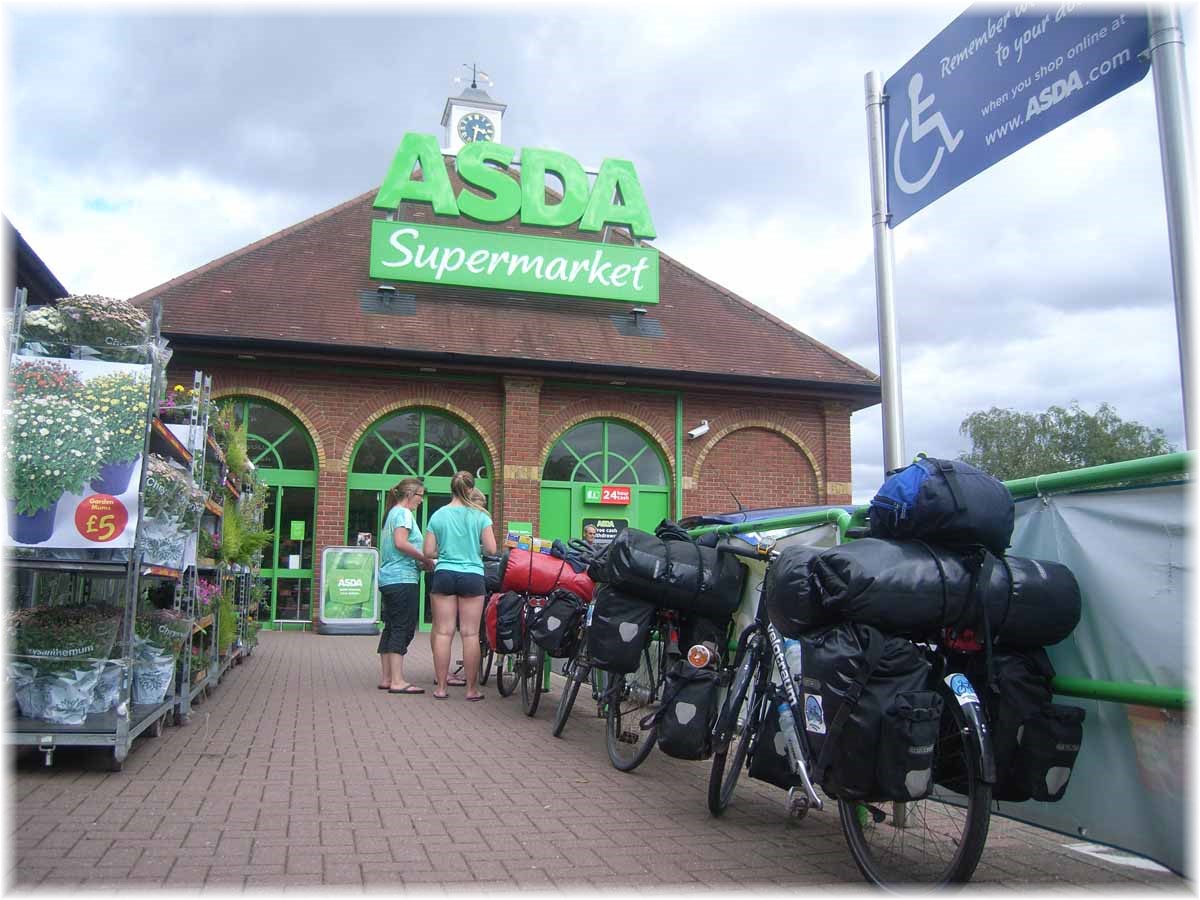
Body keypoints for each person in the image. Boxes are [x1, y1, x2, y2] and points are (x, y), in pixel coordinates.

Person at [424, 471, 497, 700]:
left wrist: (444, 551)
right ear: (470, 489)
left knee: (444, 632)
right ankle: (471, 690)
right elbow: (492, 550)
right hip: (472, 576)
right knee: (470, 634)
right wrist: (473, 548)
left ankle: (441, 688)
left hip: (444, 573)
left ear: (451, 489)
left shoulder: (438, 515)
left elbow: (427, 552)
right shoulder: (480, 515)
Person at [377, 477, 433, 694]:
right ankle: (398, 681)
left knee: (391, 626)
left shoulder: (391, 513)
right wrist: (425, 559)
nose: (421, 500)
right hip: (403, 579)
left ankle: (387, 677)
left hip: (389, 579)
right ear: (410, 494)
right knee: (403, 627)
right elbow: (401, 543)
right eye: (420, 495)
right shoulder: (404, 514)